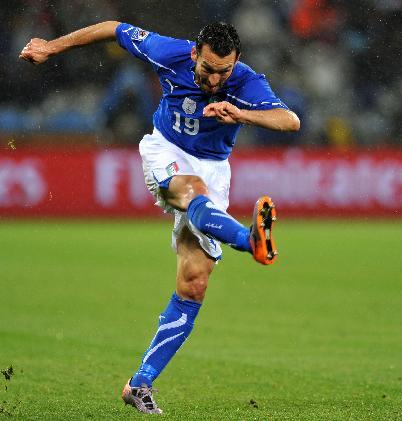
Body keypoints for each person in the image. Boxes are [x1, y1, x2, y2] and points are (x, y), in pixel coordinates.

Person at [19, 20, 300, 414]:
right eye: (208, 69)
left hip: (215, 168)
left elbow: (290, 121)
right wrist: (52, 47)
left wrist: (241, 114)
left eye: (225, 71)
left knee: (194, 283)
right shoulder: (169, 52)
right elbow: (113, 28)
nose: (216, 79)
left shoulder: (245, 81)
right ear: (194, 54)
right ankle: (247, 238)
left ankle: (139, 384)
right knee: (191, 195)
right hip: (164, 152)